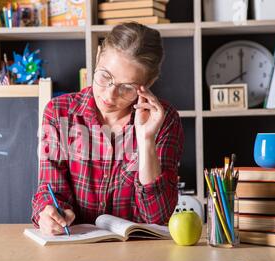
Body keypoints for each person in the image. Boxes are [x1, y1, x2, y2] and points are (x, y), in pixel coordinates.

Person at [32, 22, 184, 235]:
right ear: (97, 57)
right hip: (73, 249)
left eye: (127, 88)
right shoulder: (59, 113)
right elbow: (50, 189)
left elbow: (157, 217)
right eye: (104, 76)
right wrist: (51, 213)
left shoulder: (165, 120)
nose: (110, 95)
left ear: (148, 83)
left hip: (139, 254)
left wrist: (146, 139)